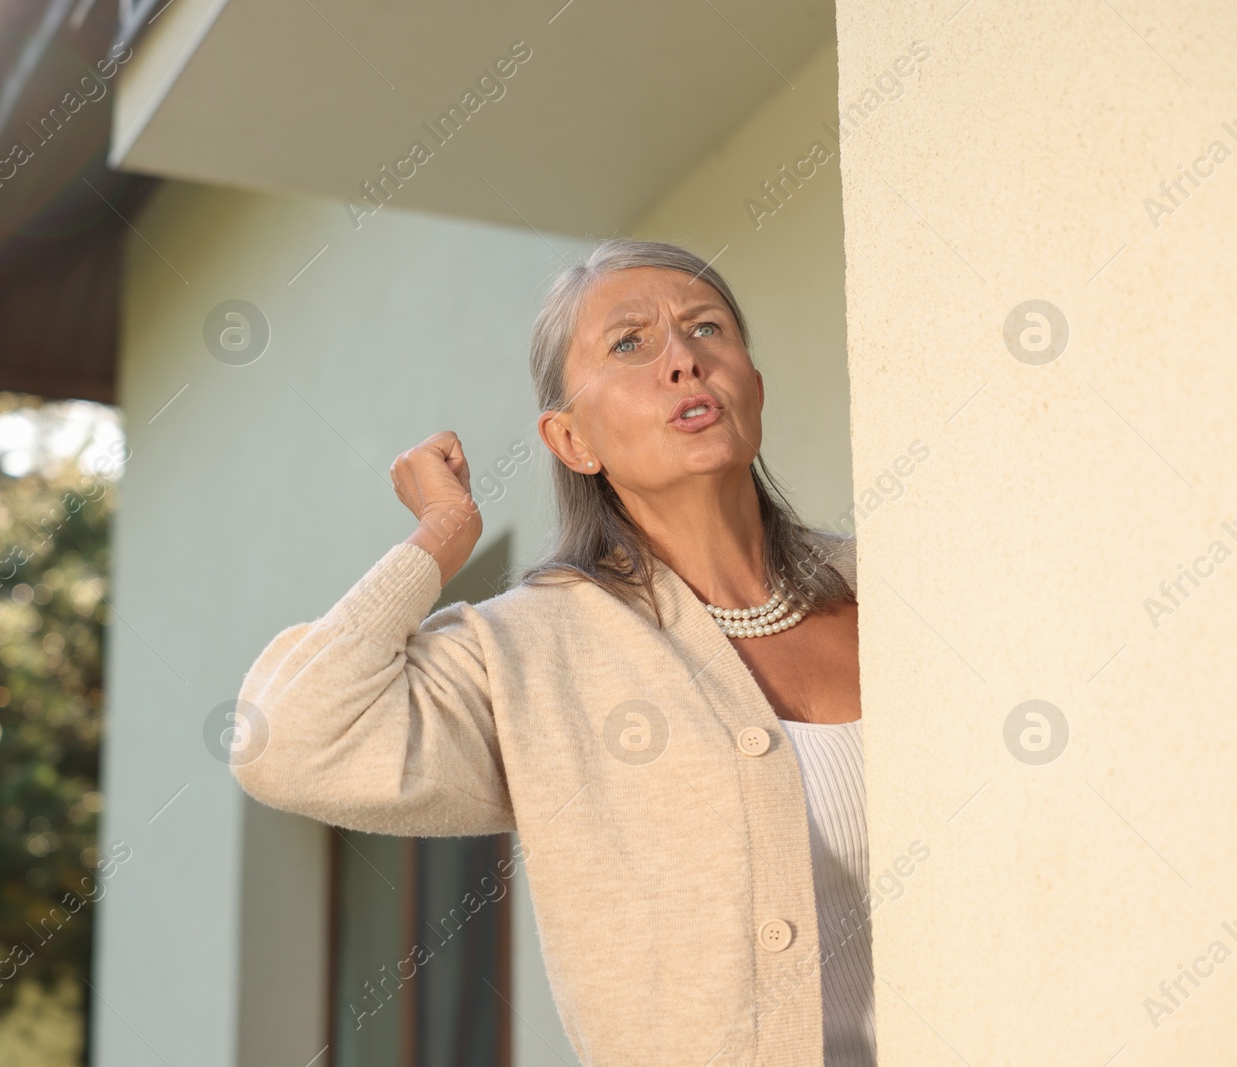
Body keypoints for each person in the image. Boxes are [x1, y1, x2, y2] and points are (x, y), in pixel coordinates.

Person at [231, 238, 870, 1066]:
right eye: (629, 343)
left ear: (753, 387)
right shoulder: (531, 650)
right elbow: (282, 736)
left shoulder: (890, 582)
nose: (682, 359)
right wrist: (439, 537)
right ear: (571, 440)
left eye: (705, 329)